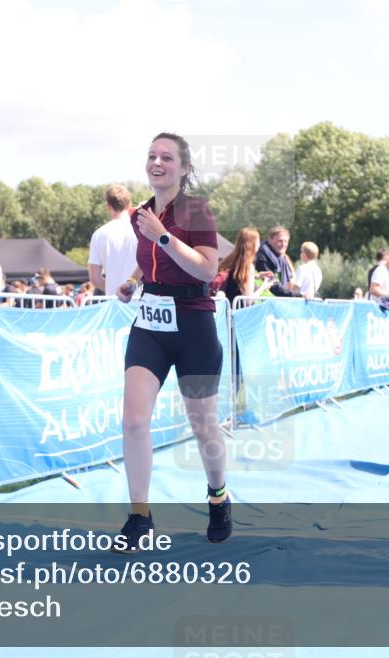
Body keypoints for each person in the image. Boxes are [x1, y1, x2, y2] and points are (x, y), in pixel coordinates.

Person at [114, 132, 231, 551]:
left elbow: (205, 269)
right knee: (133, 419)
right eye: (151, 156)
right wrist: (131, 281)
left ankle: (218, 497)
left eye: (166, 157)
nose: (156, 162)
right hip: (151, 324)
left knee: (203, 426)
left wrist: (163, 234)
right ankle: (139, 516)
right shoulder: (140, 214)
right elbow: (150, 266)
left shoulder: (197, 211)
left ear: (183, 168)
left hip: (195, 325)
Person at [88, 185, 139, 296]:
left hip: (114, 301)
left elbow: (95, 278)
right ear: (130, 203)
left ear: (108, 206)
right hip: (141, 299)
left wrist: (115, 289)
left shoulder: (98, 235)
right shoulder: (142, 230)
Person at [215, 227, 270, 303]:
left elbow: (236, 280)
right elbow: (248, 300)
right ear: (253, 244)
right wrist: (264, 286)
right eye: (258, 241)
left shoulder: (231, 261)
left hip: (228, 310)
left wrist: (256, 276)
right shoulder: (247, 267)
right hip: (240, 313)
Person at [255, 226, 297, 297]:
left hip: (272, 302)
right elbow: (273, 286)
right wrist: (297, 295)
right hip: (261, 303)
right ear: (270, 240)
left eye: (286, 241)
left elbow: (289, 283)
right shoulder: (262, 257)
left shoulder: (280, 258)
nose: (283, 244)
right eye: (280, 241)